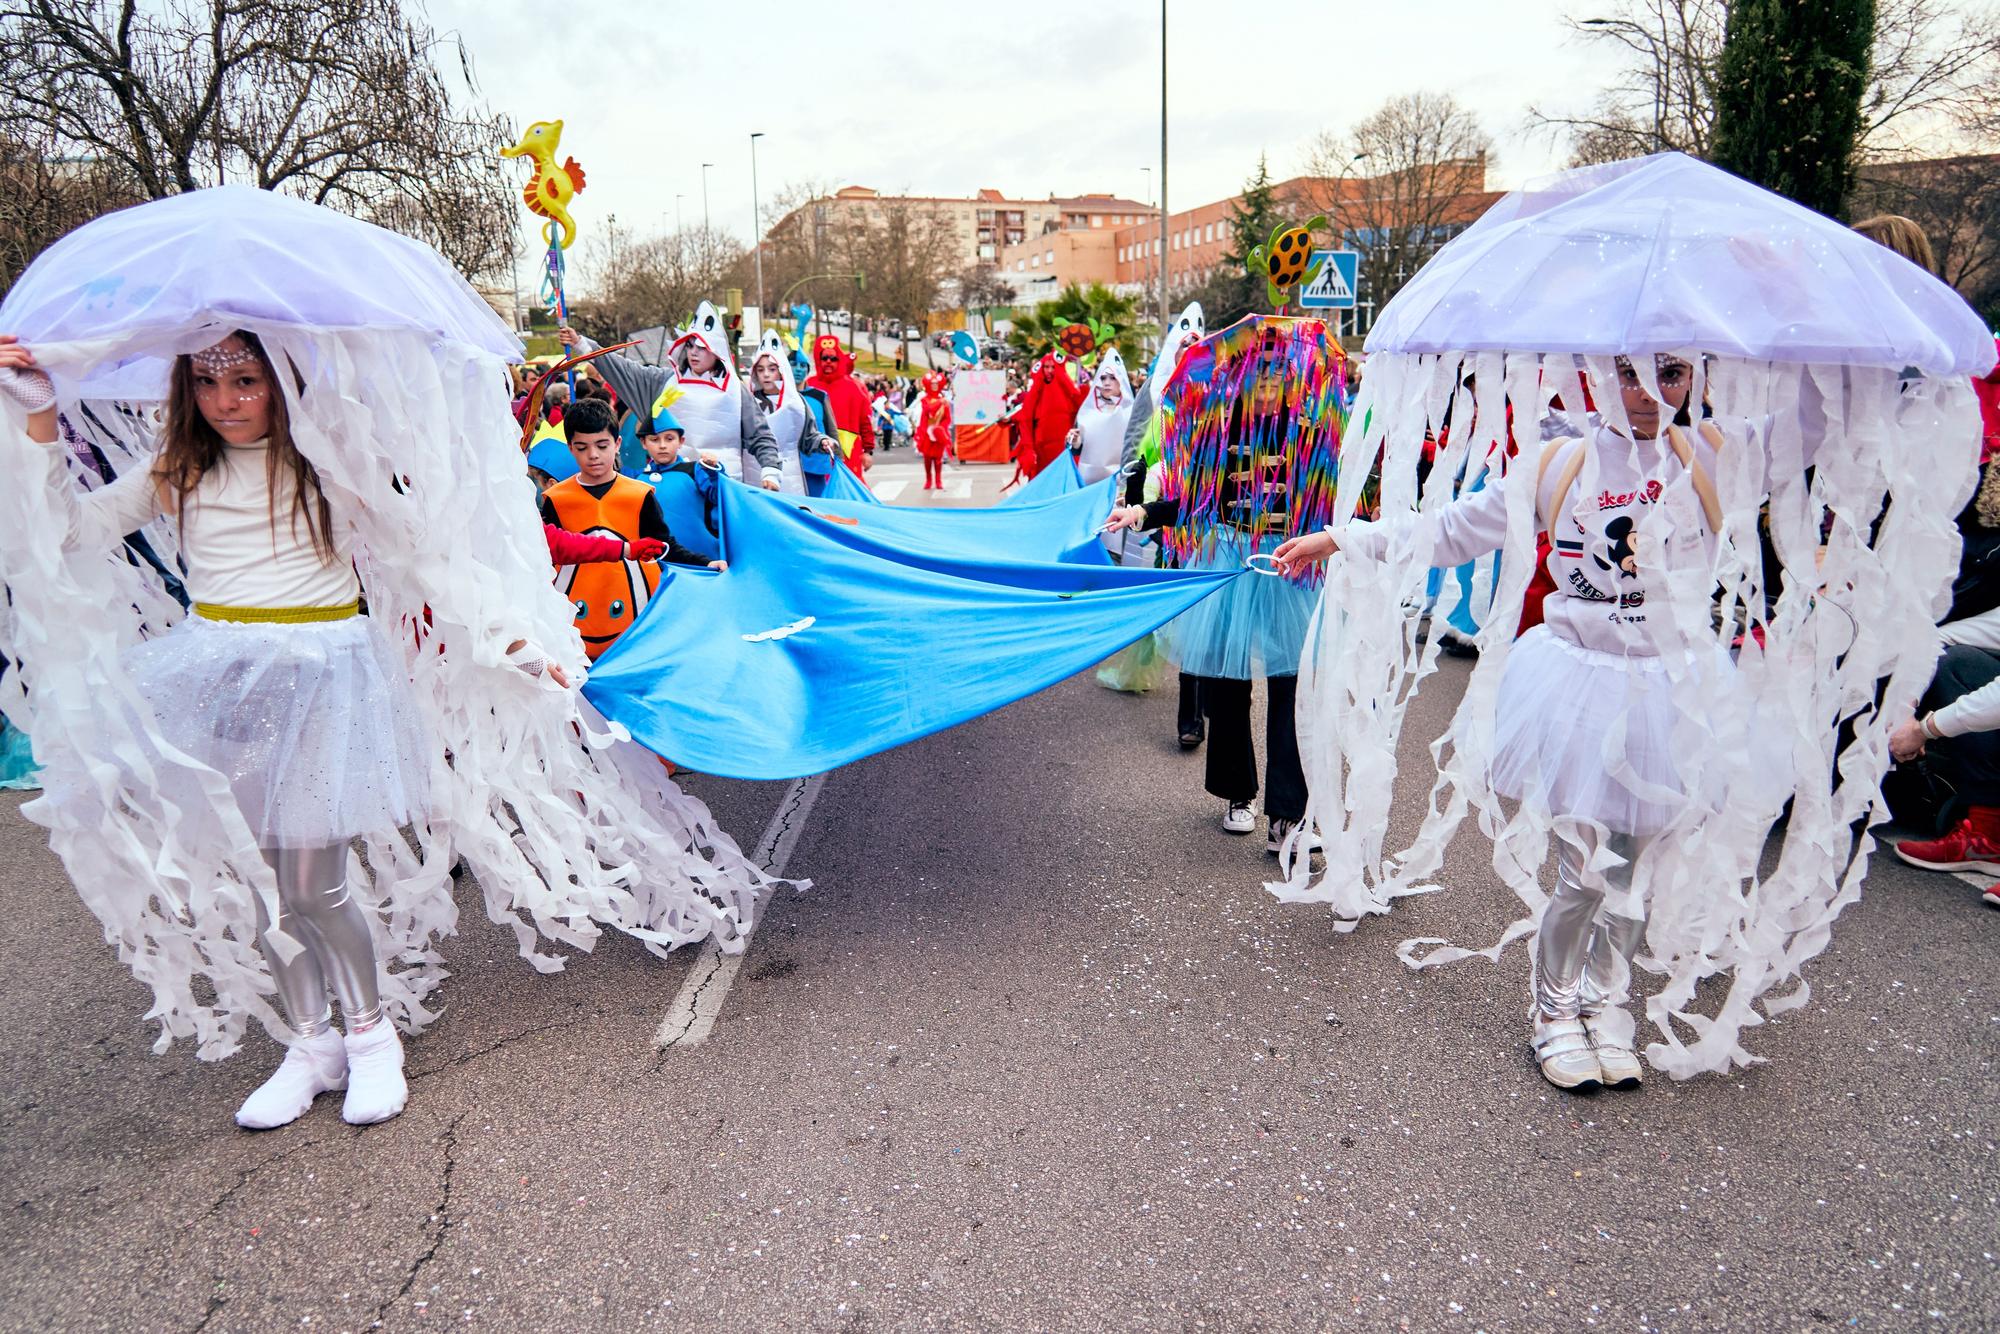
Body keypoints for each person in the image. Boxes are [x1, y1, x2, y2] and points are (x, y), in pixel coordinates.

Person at [1, 331, 427, 1129]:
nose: (226, 401)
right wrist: (41, 422)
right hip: (221, 681)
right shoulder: (178, 465)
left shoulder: (327, 464)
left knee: (314, 884)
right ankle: (312, 1046)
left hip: (322, 679)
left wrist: (508, 640)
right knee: (265, 886)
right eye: (206, 380)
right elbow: (69, 531)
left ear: (283, 382)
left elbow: (423, 548)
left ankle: (372, 1038)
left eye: (246, 379)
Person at [1274, 352, 1732, 1091]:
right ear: (1599, 375)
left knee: (1634, 871)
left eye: (1671, 373)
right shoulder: (1560, 463)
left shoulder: (1714, 457)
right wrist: (1345, 537)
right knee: (1583, 869)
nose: (1649, 392)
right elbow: (1451, 530)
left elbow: (1818, 426)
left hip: (1671, 696)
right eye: (1630, 371)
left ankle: (1609, 1006)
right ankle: (1554, 1011)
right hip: (1581, 689)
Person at [1105, 318, 1341, 856]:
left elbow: (1332, 499)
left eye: (1278, 372)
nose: (1268, 382)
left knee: (1291, 687)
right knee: (1229, 684)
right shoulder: (1216, 433)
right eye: (1258, 372)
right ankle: (1238, 794)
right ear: (1238, 376)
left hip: (1288, 565)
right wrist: (1139, 512)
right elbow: (1189, 504)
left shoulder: (1308, 434)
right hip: (1231, 559)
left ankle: (1290, 814)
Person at [537, 397, 722, 661]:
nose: (593, 455)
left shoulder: (639, 494)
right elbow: (547, 556)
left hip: (636, 615)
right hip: (576, 622)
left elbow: (664, 546)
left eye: (602, 445)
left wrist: (706, 564)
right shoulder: (555, 499)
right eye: (582, 447)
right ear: (570, 449)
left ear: (617, 444)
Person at [559, 305, 782, 489]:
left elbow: (761, 437)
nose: (694, 352)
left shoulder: (736, 389)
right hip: (674, 485)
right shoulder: (662, 381)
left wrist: (771, 472)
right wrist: (581, 344)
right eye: (690, 346)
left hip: (725, 489)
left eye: (702, 347)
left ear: (716, 350)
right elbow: (621, 369)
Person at [749, 332, 836, 494]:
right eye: (761, 370)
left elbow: (808, 436)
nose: (766, 374)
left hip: (791, 475)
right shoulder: (749, 402)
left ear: (781, 370)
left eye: (772, 369)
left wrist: (822, 441)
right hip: (756, 473)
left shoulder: (797, 402)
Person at [804, 334, 876, 476]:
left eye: (833, 358)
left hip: (849, 452)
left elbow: (865, 421)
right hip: (817, 451)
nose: (829, 362)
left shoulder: (853, 387)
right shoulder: (809, 385)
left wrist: (867, 451)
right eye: (824, 358)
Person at [1014, 352, 1086, 480]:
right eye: (1046, 367)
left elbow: (1082, 408)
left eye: (1053, 367)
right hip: (1042, 447)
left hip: (1063, 445)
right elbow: (1025, 418)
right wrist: (1029, 448)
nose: (1049, 371)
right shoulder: (1036, 391)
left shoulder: (1069, 391)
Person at [1069, 348, 1134, 485]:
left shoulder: (1132, 412)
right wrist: (1075, 441)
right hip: (1089, 482)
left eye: (1112, 377)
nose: (1106, 382)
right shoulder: (1086, 412)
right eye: (1103, 378)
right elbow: (1077, 449)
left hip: (1121, 483)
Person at [914, 371, 954, 491]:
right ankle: (928, 479)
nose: (934, 386)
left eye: (936, 384)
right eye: (932, 384)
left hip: (938, 433)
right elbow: (927, 410)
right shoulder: (925, 399)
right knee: (927, 458)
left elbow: (947, 418)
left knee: (938, 458)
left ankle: (938, 480)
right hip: (927, 432)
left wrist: (941, 428)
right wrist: (939, 402)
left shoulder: (944, 400)